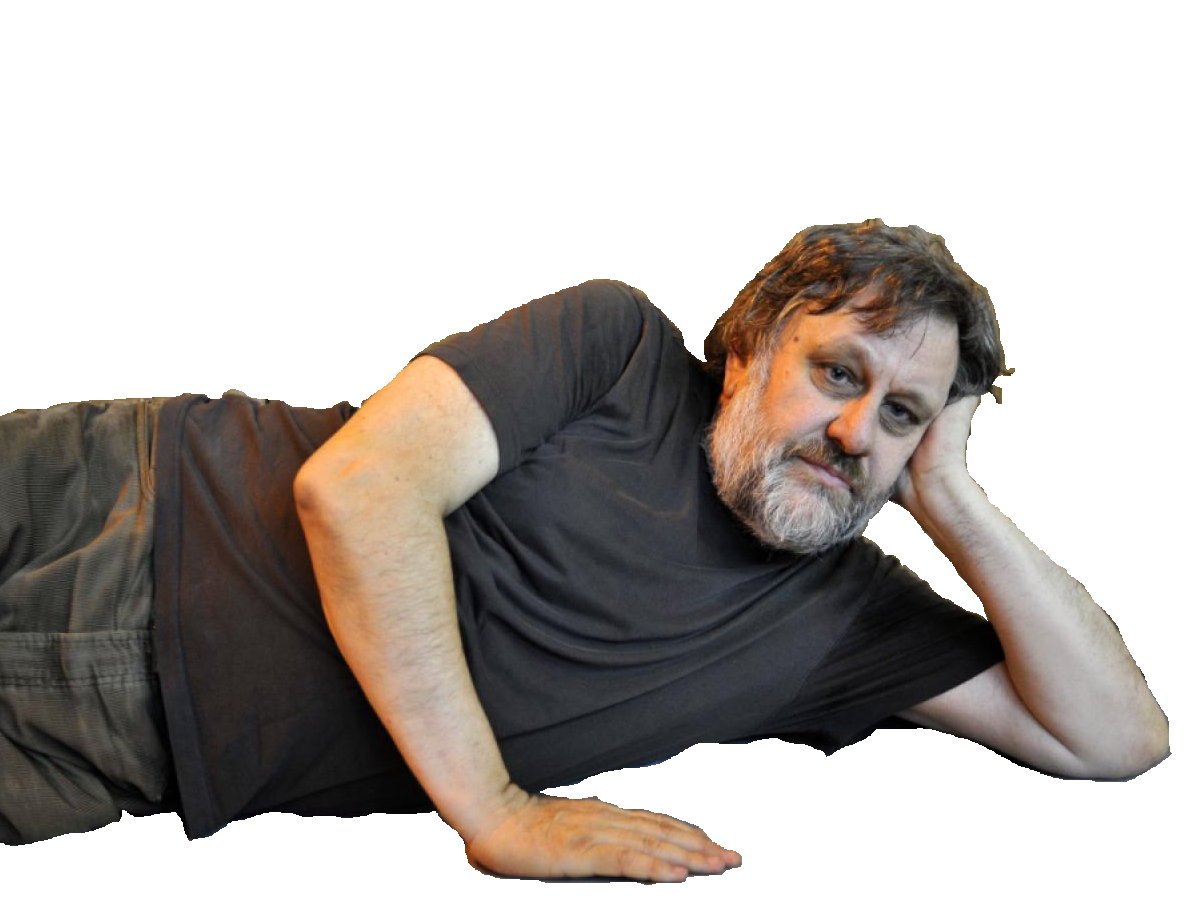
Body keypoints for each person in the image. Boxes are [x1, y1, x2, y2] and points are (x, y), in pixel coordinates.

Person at [0, 221, 1168, 881]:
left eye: (903, 415)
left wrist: (950, 496)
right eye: (837, 373)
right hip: (115, 509)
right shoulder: (618, 352)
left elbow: (1118, 740)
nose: (859, 432)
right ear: (751, 347)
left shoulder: (849, 625)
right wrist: (497, 812)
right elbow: (358, 491)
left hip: (136, 750)